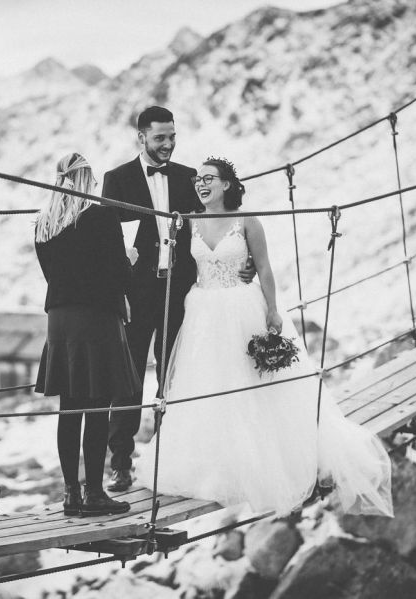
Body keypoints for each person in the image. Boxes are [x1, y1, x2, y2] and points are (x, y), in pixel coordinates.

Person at [139, 157, 394, 516]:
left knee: (251, 386)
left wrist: (273, 310)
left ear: (227, 184)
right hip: (202, 312)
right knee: (206, 384)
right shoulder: (190, 222)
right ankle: (212, 463)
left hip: (242, 307)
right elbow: (179, 267)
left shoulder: (248, 221)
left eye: (209, 178)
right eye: (198, 179)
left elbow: (264, 268)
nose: (201, 184)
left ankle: (261, 461)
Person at [102, 106, 254, 492]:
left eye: (172, 137)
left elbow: (216, 225)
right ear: (141, 138)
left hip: (182, 291)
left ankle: (169, 458)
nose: (168, 144)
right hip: (136, 294)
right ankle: (120, 462)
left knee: (177, 374)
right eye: (159, 138)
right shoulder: (116, 180)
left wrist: (243, 260)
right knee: (129, 377)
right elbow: (107, 241)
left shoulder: (191, 178)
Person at [34, 152, 140, 516]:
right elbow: (118, 278)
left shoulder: (43, 225)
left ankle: (70, 494)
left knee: (69, 408)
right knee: (97, 408)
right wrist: (130, 257)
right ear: (87, 183)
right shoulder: (102, 218)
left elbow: (55, 276)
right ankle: (94, 492)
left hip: (60, 322)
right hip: (96, 321)